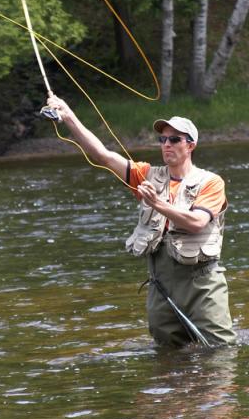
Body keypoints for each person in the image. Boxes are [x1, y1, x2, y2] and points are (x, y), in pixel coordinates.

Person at [46, 94, 237, 347]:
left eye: (174, 139)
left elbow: (196, 223)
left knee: (220, 350)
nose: (166, 144)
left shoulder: (211, 182)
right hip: (161, 286)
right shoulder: (147, 175)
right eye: (163, 139)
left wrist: (157, 203)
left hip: (201, 284)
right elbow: (103, 155)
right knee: (168, 353)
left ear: (190, 145)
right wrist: (68, 116)